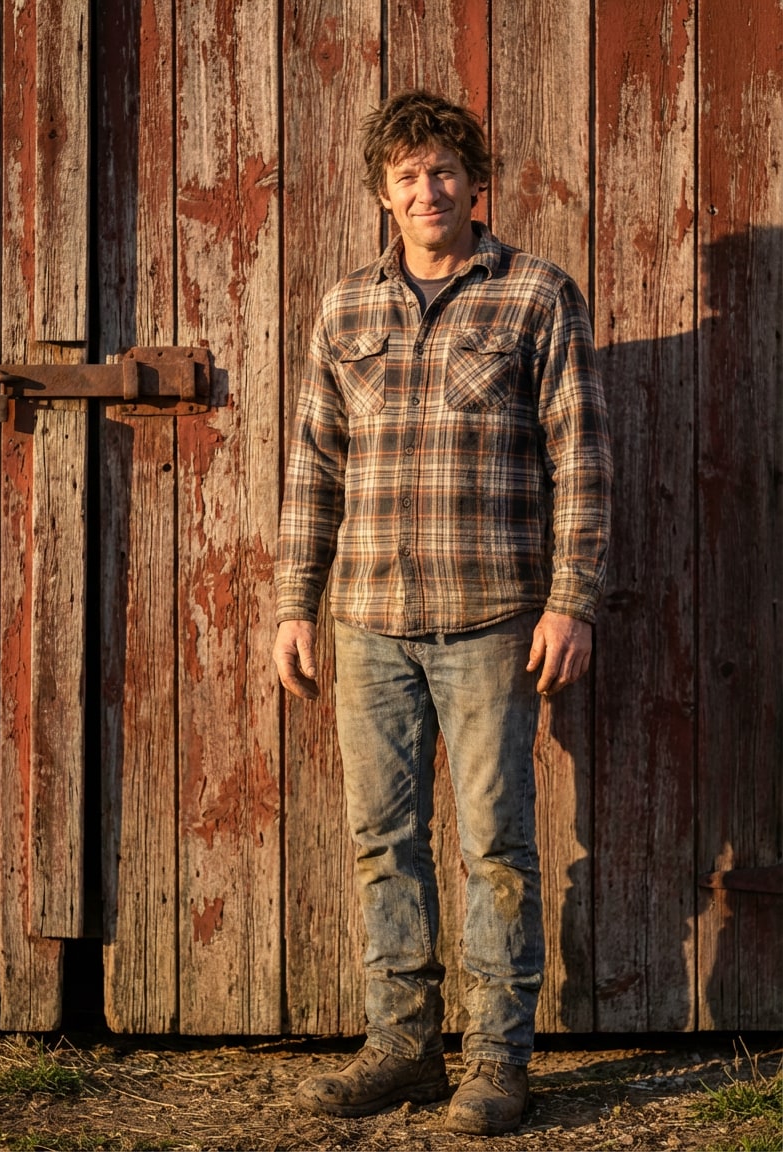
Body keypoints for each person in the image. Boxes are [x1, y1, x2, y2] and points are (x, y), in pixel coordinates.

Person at [272, 90, 611, 1136]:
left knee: (495, 841)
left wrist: (572, 601)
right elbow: (310, 468)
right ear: (383, 193)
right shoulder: (344, 310)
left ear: (474, 181)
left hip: (491, 617)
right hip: (366, 619)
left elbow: (580, 462)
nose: (428, 188)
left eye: (445, 170)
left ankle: (495, 1061)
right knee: (382, 840)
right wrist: (295, 604)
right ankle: (400, 1046)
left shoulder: (536, 298)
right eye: (408, 174)